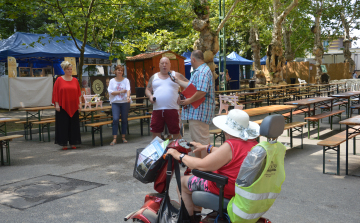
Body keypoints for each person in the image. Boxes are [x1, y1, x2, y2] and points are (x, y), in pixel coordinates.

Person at [165, 109, 260, 222]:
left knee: (182, 182)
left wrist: (178, 155)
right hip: (241, 188)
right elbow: (228, 154)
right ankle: (196, 217)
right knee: (194, 178)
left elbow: (200, 165)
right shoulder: (253, 143)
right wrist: (206, 147)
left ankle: (188, 220)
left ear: (227, 131)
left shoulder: (231, 144)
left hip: (224, 188)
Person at [175, 50, 215, 158]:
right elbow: (191, 86)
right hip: (197, 113)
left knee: (201, 141)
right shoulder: (201, 70)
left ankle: (205, 168)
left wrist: (188, 101)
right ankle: (199, 166)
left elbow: (201, 91)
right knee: (197, 141)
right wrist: (178, 81)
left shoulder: (202, 72)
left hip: (199, 113)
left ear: (193, 59)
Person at [145, 57, 188, 140]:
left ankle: (178, 151)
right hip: (157, 109)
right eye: (162, 63)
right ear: (159, 65)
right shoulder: (154, 77)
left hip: (173, 109)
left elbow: (190, 85)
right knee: (155, 132)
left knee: (176, 132)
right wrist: (150, 96)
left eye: (166, 63)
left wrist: (182, 95)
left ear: (170, 65)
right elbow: (147, 89)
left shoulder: (177, 75)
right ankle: (158, 152)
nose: (164, 65)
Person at [52, 61, 82, 150]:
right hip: (62, 105)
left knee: (74, 125)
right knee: (63, 125)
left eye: (71, 69)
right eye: (68, 70)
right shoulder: (59, 80)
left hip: (73, 105)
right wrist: (56, 104)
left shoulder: (75, 80)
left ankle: (73, 142)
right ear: (64, 70)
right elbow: (55, 93)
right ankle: (64, 143)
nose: (70, 71)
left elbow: (78, 94)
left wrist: (80, 104)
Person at [108, 65, 131, 145]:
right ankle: (114, 138)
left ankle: (123, 137)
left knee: (124, 120)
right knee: (115, 119)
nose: (120, 71)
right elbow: (111, 92)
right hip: (115, 103)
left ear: (123, 72)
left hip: (124, 102)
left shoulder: (126, 80)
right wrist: (121, 92)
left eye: (121, 70)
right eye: (118, 70)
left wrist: (128, 96)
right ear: (115, 71)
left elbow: (128, 90)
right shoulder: (112, 81)